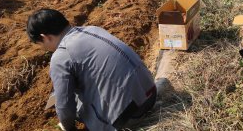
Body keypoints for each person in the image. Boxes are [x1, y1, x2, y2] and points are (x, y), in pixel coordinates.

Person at [26, 9, 156, 130]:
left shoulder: (61, 55)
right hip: (149, 93)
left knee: (78, 105)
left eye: (40, 44)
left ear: (44, 37)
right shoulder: (92, 29)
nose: (43, 48)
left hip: (130, 115)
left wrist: (68, 127)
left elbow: (64, 106)